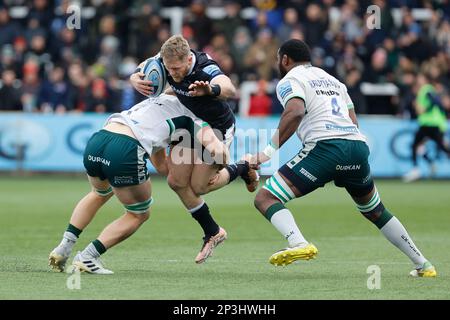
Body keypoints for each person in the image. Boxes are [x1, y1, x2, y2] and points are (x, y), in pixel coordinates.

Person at [249, 39, 436, 278]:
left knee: (266, 197)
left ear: (285, 60)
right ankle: (423, 264)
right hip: (357, 146)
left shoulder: (289, 80)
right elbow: (353, 122)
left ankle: (298, 242)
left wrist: (265, 154)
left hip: (326, 148)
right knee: (375, 210)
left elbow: (294, 111)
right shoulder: (334, 81)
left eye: (278, 59)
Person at [49, 94, 229, 274]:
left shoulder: (158, 98)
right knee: (138, 214)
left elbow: (160, 165)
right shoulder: (194, 117)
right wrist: (219, 168)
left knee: (98, 193)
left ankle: (64, 247)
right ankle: (87, 257)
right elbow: (218, 150)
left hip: (99, 140)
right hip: (125, 149)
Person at [130, 35, 259, 264]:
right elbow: (143, 67)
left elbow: (229, 87)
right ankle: (213, 231)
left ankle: (243, 166)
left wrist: (211, 90)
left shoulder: (204, 67)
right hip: (190, 125)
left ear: (188, 59)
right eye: (170, 69)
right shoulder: (165, 60)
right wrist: (134, 78)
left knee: (199, 186)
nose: (174, 73)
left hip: (217, 129)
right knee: (175, 181)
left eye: (178, 69)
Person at [403, 73, 450, 182]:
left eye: (420, 77)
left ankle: (416, 170)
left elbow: (434, 101)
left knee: (415, 145)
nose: (418, 79)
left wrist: (425, 109)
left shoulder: (426, 89)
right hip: (431, 124)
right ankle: (426, 165)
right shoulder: (425, 90)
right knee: (438, 146)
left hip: (429, 124)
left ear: (425, 79)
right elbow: (437, 103)